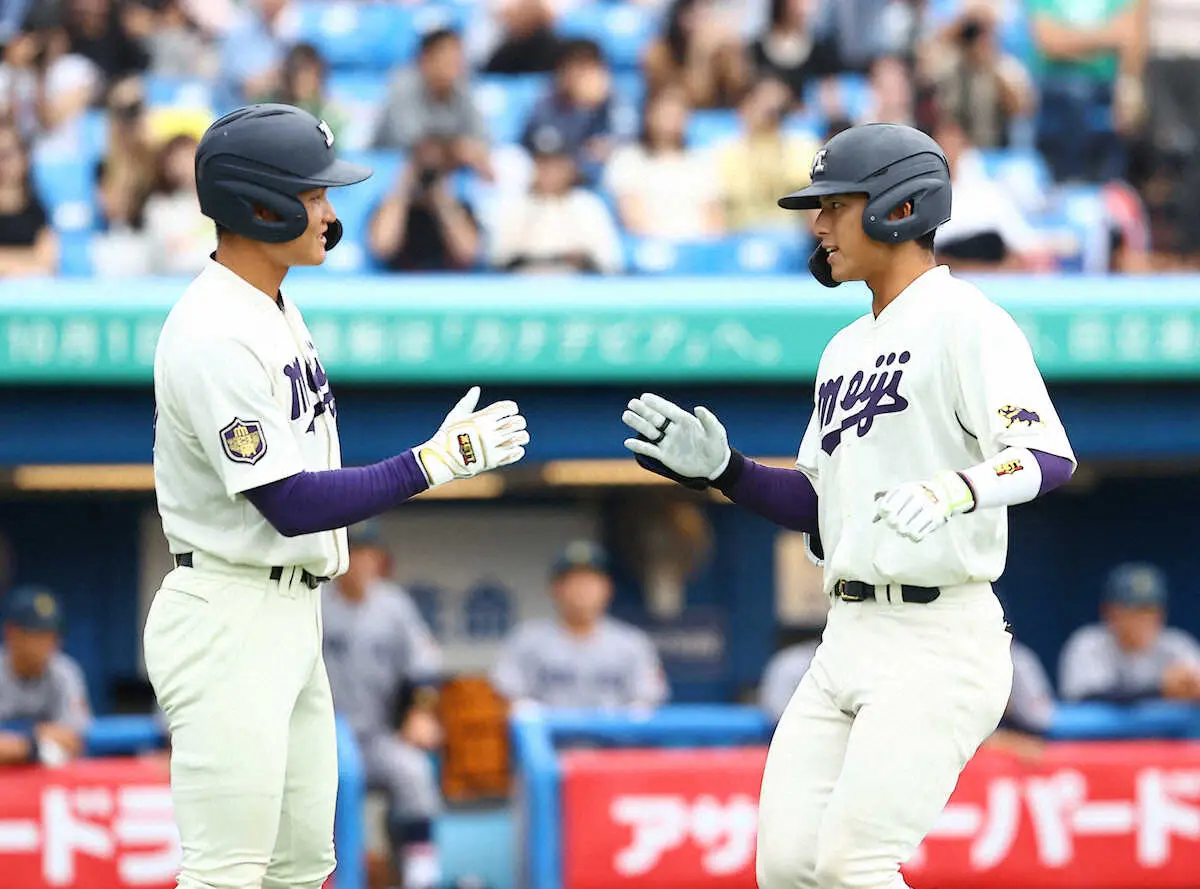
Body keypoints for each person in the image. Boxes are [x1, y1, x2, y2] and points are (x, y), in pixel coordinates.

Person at [621, 122, 1077, 889]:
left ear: (898, 206)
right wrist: (727, 471)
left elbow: (1048, 457)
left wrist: (957, 486)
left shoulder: (967, 319)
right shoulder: (844, 348)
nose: (819, 223)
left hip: (940, 631)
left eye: (835, 203)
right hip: (848, 633)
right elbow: (819, 504)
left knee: (851, 862)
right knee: (790, 866)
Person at [142, 103, 529, 889]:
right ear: (259, 203)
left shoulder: (274, 303)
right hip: (229, 611)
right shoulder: (215, 328)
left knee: (298, 868)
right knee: (227, 872)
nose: (328, 211)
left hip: (289, 611)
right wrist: (431, 462)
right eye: (313, 195)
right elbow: (286, 501)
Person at [322, 522, 445, 889]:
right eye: (353, 553)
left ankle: (420, 877)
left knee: (414, 772)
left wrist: (421, 713)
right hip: (319, 740)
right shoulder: (313, 602)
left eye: (367, 555)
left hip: (375, 737)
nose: (360, 563)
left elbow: (424, 668)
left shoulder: (394, 606)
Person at [490, 541, 669, 711]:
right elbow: (506, 695)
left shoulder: (632, 642)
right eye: (573, 581)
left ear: (607, 588)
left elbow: (647, 701)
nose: (582, 589)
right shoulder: (526, 639)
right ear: (554, 588)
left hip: (612, 741)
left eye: (590, 581)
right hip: (546, 741)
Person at [1059, 562, 1200, 703]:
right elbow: (1088, 697)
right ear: (1109, 612)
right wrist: (1161, 689)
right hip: (1110, 726)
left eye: (1151, 610)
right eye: (1134, 611)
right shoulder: (1088, 644)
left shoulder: (1178, 645)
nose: (1144, 620)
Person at [0, 586, 91, 767]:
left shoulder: (64, 672)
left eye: (53, 635)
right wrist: (34, 745)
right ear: (12, 633)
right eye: (38, 635)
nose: (48, 645)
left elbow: (74, 741)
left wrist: (18, 744)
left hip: (45, 784)